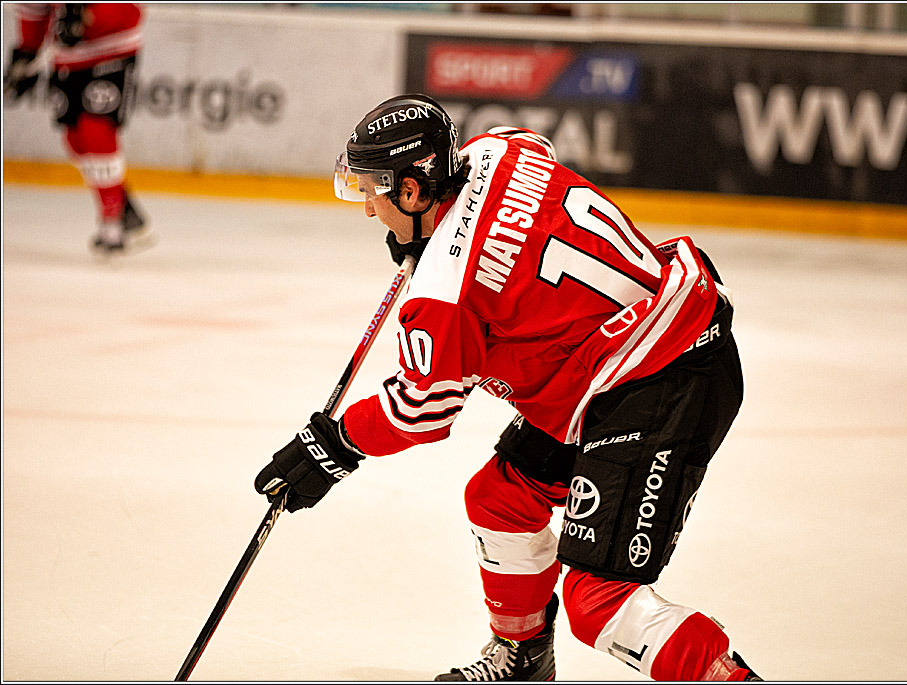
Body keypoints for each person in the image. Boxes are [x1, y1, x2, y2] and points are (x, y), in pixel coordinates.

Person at [255, 93, 760, 681]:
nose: (369, 208)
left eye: (373, 189)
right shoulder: (497, 147)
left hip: (665, 374)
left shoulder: (443, 292)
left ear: (413, 191)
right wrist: (445, 243)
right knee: (500, 500)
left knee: (598, 604)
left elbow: (419, 411)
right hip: (617, 355)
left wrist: (333, 447)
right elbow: (524, 183)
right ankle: (522, 659)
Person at [3, 2, 151, 254]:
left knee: (96, 132)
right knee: (75, 140)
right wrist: (28, 49)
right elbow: (34, 7)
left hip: (113, 52)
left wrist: (91, 18)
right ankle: (123, 207)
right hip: (66, 59)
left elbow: (132, 10)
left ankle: (112, 222)